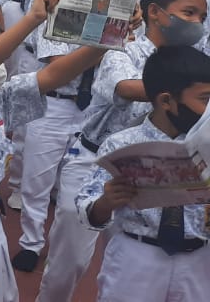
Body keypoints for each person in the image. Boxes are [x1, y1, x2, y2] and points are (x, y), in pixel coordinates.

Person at [37, 0, 207, 301]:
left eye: (202, 16)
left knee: (143, 249)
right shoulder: (121, 50)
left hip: (166, 170)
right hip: (99, 159)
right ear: (154, 12)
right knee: (70, 260)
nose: (196, 23)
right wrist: (184, 88)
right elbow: (125, 88)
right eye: (188, 13)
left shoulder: (197, 58)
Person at [79, 45, 210, 301]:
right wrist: (106, 201)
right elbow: (87, 208)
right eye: (205, 100)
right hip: (137, 254)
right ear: (166, 101)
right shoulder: (122, 144)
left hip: (199, 257)